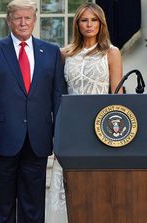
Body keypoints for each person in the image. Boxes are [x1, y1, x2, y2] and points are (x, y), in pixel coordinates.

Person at [0, 0, 67, 222]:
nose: (23, 23)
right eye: (18, 18)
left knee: (32, 206)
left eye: (27, 18)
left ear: (34, 20)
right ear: (9, 20)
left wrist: (57, 134)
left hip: (38, 139)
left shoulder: (51, 52)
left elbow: (58, 98)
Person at [45, 3, 123, 222]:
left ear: (101, 23)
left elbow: (118, 94)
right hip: (71, 124)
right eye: (84, 20)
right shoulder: (64, 53)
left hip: (102, 124)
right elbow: (58, 92)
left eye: (94, 20)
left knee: (98, 176)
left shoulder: (112, 52)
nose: (89, 25)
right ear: (77, 24)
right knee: (68, 177)